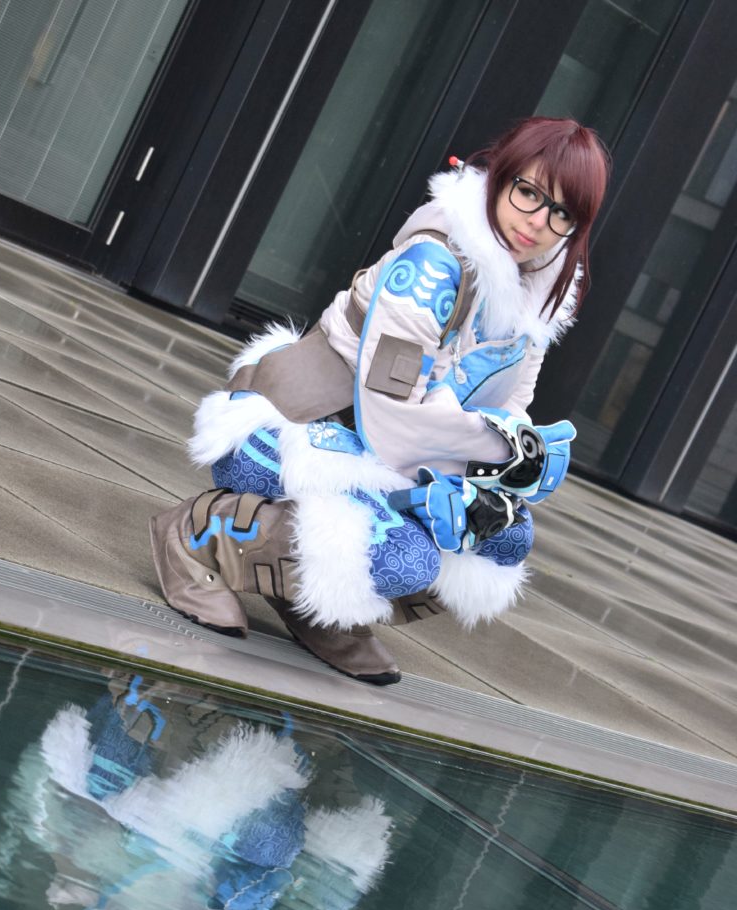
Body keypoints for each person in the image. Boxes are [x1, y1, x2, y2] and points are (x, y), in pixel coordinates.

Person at [150, 117, 610, 686]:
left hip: (391, 455)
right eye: (529, 193)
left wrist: (513, 465)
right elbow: (392, 417)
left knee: (500, 535)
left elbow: (511, 405)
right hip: (293, 429)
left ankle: (315, 601)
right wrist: (500, 456)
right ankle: (201, 536)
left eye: (561, 212)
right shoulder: (432, 267)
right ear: (500, 175)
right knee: (409, 557)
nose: (538, 222)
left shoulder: (537, 297)